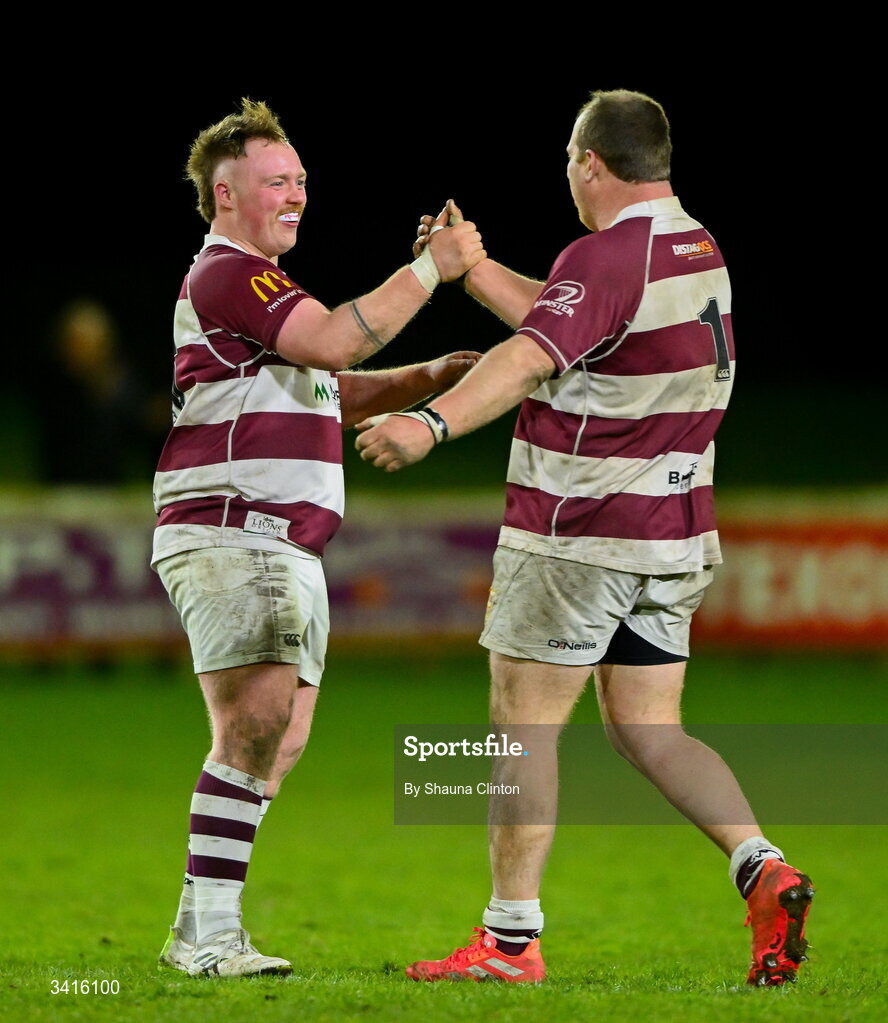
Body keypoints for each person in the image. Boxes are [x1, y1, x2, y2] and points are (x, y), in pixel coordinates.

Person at [355, 89, 814, 987]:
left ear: (592, 165)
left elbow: (531, 355)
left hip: (581, 536)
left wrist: (430, 425)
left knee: (520, 732)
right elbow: (573, 326)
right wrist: (474, 268)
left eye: (570, 158)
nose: (568, 172)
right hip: (673, 537)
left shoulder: (605, 255)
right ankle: (764, 867)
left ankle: (509, 943)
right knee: (650, 729)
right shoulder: (695, 245)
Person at [151, 97, 485, 977]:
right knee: (256, 724)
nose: (296, 195)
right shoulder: (233, 272)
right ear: (225, 194)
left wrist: (427, 377)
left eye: (301, 181)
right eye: (276, 182)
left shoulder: (252, 288)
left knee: (279, 738)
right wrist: (430, 270)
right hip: (236, 524)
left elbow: (323, 387)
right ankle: (213, 937)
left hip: (284, 539)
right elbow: (335, 341)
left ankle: (197, 925)